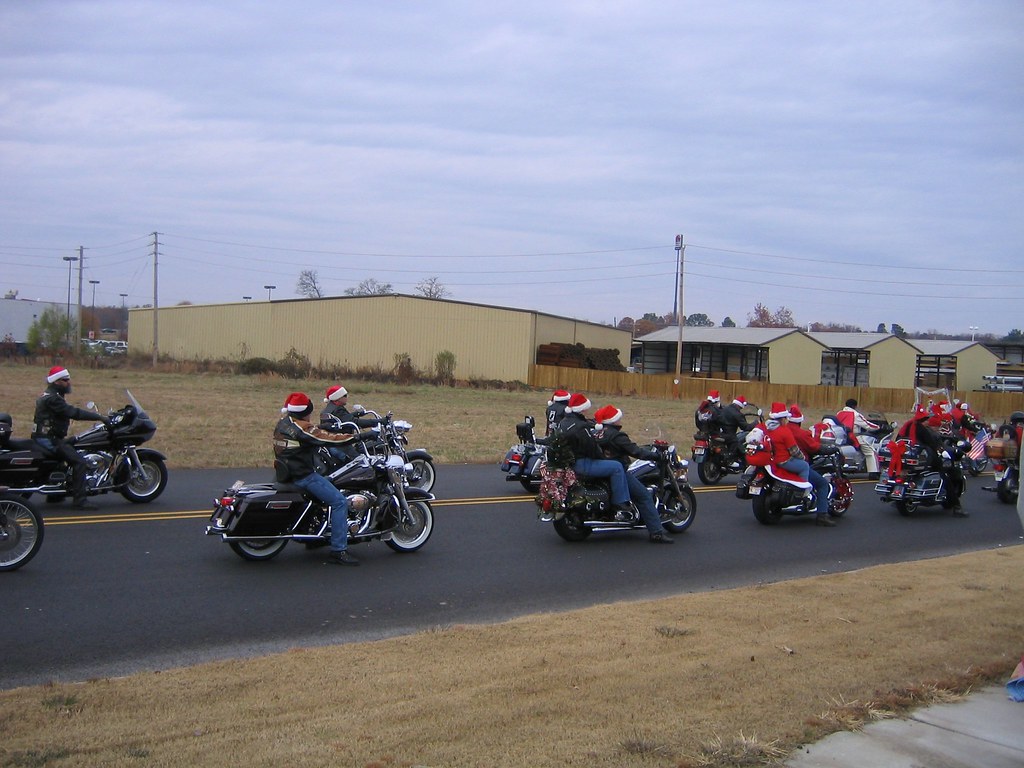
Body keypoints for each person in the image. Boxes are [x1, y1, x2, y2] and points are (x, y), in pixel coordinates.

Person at [273, 392, 379, 565]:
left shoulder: (284, 424)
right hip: (303, 476)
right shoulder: (303, 428)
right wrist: (361, 436)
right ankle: (339, 550)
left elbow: (318, 432)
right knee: (339, 502)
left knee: (329, 483)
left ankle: (314, 538)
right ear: (305, 410)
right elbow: (330, 439)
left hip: (287, 472)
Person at [31, 366, 110, 510]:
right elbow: (73, 412)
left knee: (74, 445)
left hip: (47, 437)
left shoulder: (52, 395)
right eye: (65, 380)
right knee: (79, 461)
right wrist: (99, 417)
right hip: (48, 439)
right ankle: (80, 500)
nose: (69, 382)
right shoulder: (52, 399)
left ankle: (55, 494)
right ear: (56, 382)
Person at [594, 404, 674, 543]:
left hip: (602, 470)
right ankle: (656, 533)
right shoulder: (617, 436)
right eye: (618, 418)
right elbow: (636, 451)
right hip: (618, 472)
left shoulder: (598, 433)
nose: (620, 420)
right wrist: (656, 456)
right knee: (644, 496)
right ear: (613, 420)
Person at [555, 393, 631, 516]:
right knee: (617, 467)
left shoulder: (564, 422)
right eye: (586, 408)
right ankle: (621, 503)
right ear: (582, 409)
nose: (588, 410)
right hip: (581, 463)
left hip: (570, 462)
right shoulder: (581, 427)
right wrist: (603, 457)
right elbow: (592, 449)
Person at [765, 402, 833, 526]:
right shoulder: (794, 432)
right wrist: (829, 449)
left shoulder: (768, 429)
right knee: (822, 483)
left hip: (774, 462)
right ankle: (816, 508)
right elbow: (805, 448)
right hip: (788, 461)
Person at [893, 404, 966, 517]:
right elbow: (932, 444)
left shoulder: (906, 425)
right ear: (923, 420)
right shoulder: (922, 429)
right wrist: (942, 451)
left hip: (904, 458)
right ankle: (957, 506)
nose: (928, 421)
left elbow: (898, 439)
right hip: (924, 458)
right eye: (927, 419)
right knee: (944, 476)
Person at [319, 385, 380, 466]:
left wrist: (356, 413)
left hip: (331, 443)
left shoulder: (330, 408)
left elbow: (344, 418)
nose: (347, 397)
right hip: (341, 444)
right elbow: (355, 422)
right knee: (361, 464)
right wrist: (378, 421)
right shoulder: (338, 410)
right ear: (337, 398)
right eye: (344, 395)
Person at [836, 398, 881, 477]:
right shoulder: (855, 414)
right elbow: (867, 425)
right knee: (870, 452)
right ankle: (874, 472)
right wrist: (878, 427)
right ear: (854, 406)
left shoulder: (839, 413)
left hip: (841, 437)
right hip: (854, 437)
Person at [718, 395, 753, 466]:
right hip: (729, 435)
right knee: (740, 446)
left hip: (719, 433)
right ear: (741, 405)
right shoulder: (737, 414)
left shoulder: (724, 408)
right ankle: (732, 460)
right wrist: (755, 423)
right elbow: (745, 427)